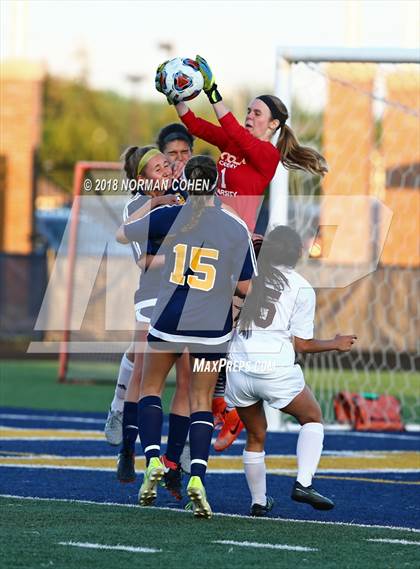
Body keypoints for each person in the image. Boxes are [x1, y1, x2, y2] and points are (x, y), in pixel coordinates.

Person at [156, 55, 328, 452]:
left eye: (257, 112)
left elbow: (230, 127)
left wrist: (214, 93)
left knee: (216, 336)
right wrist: (176, 98)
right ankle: (219, 411)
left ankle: (226, 409)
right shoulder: (234, 142)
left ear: (273, 125)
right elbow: (196, 126)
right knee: (201, 340)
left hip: (236, 249)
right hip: (209, 243)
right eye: (248, 110)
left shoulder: (265, 156)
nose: (249, 116)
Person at [117, 155, 256, 518]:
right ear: (215, 184)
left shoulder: (172, 215)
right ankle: (197, 476)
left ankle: (151, 461)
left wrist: (153, 206)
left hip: (168, 320)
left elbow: (124, 235)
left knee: (150, 389)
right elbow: (246, 288)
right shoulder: (234, 227)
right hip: (210, 327)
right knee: (200, 399)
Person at [225, 225, 357, 516]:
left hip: (238, 368)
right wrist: (335, 343)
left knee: (256, 435)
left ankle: (258, 502)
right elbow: (302, 345)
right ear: (298, 253)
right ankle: (304, 483)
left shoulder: (251, 278)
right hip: (273, 370)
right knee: (312, 417)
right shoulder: (301, 287)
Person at [109, 145, 191, 503]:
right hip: (152, 296)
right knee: (144, 372)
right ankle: (129, 448)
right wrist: (178, 257)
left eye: (167, 165)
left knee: (189, 378)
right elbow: (142, 261)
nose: (166, 170)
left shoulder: (185, 196)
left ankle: (174, 463)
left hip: (187, 296)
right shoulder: (136, 206)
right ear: (143, 179)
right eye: (158, 168)